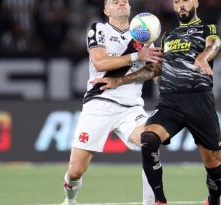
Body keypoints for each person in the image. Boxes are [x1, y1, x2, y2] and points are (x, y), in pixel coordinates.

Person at [91, 0, 221, 204]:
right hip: (169, 103)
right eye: (176, 2)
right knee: (148, 139)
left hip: (199, 100)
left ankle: (213, 200)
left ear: (195, 2)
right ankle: (160, 201)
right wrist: (119, 80)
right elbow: (154, 69)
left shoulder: (208, 28)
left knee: (214, 163)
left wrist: (203, 57)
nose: (181, 4)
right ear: (173, 7)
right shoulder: (167, 36)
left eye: (185, 0)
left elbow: (214, 44)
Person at [61, 0, 162, 205]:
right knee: (75, 171)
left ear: (130, 8)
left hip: (131, 108)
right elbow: (100, 62)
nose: (121, 2)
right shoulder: (98, 29)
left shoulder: (144, 36)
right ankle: (70, 201)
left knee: (150, 141)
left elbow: (153, 71)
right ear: (106, 10)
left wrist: (137, 74)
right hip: (99, 103)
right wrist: (137, 55)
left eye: (124, 0)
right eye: (114, 1)